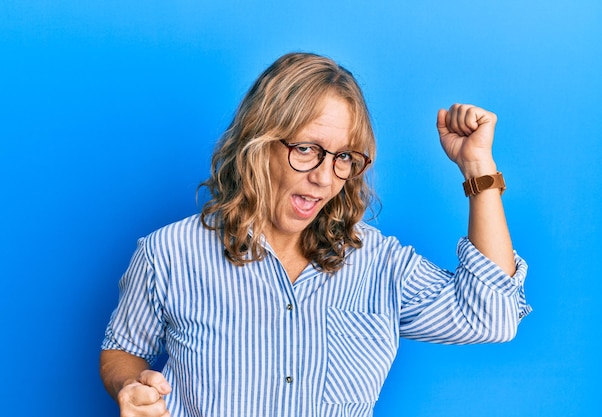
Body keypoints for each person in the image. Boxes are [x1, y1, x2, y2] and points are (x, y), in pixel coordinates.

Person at [100, 52, 531, 417]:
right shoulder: (168, 253)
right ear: (259, 142)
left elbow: (491, 316)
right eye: (306, 150)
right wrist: (130, 388)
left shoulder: (378, 263)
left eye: (343, 157)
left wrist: (478, 169)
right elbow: (121, 347)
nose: (325, 178)